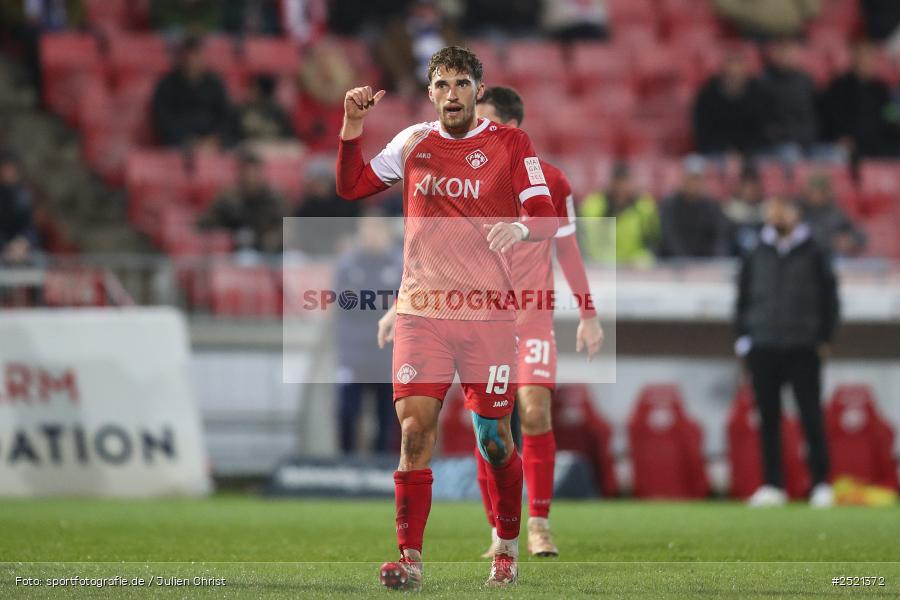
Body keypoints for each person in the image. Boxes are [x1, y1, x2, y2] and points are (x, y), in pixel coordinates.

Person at [336, 46, 560, 590]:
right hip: (423, 313)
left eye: (462, 84)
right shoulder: (413, 142)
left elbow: (545, 216)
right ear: (430, 91)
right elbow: (351, 186)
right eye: (442, 84)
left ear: (478, 91)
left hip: (487, 316)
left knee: (495, 440)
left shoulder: (511, 144)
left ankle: (507, 548)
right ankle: (410, 559)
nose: (452, 94)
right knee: (414, 431)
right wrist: (352, 126)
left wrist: (521, 228)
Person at [467, 86, 602, 558]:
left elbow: (568, 250)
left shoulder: (552, 182)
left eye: (487, 121)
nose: (478, 130)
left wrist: (588, 313)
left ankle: (540, 523)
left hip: (533, 321)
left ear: (512, 128)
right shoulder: (465, 180)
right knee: (490, 428)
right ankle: (498, 531)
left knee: (535, 411)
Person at [735, 196, 839, 509]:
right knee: (768, 419)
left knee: (811, 416)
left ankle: (820, 483)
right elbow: (742, 299)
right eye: (773, 209)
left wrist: (825, 338)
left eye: (783, 209)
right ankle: (773, 485)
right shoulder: (755, 251)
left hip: (803, 345)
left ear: (797, 213)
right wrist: (743, 339)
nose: (777, 215)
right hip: (764, 344)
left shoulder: (815, 251)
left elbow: (830, 298)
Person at [333, 210, 402, 454]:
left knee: (387, 416)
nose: (372, 235)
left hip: (387, 354)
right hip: (354, 354)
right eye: (367, 230)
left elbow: (405, 301)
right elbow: (345, 301)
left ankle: (380, 465)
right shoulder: (347, 264)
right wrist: (387, 304)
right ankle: (346, 462)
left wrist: (373, 301)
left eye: (377, 229)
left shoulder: (399, 264)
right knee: (346, 411)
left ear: (386, 233)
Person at [820, 40, 899, 159]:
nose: (866, 61)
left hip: (878, 142)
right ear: (854, 58)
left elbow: (891, 115)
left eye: (870, 57)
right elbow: (831, 116)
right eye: (863, 56)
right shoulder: (840, 85)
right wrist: (840, 136)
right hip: (851, 143)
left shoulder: (881, 89)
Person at [151, 36, 230, 150]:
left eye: (197, 57)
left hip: (211, 142)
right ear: (182, 58)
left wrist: (214, 138)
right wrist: (187, 140)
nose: (193, 62)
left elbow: (225, 115)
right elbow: (162, 118)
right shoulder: (167, 84)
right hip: (178, 142)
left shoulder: (215, 83)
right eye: (190, 57)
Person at [197, 151, 285, 253]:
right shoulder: (229, 198)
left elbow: (287, 226)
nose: (251, 177)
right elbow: (208, 221)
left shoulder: (274, 197)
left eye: (254, 172)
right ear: (239, 174)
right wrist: (230, 235)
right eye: (246, 172)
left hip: (272, 252)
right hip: (237, 251)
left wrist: (274, 238)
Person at [579, 163, 659, 266]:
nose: (621, 189)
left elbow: (653, 240)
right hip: (600, 265)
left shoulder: (644, 207)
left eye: (625, 183)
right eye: (617, 184)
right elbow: (583, 239)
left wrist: (642, 259)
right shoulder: (593, 205)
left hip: (635, 266)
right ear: (610, 183)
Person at [692, 49, 769, 157]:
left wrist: (745, 152)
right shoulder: (707, 95)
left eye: (738, 69)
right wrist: (726, 150)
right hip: (716, 152)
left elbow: (763, 129)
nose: (734, 73)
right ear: (722, 71)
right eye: (730, 71)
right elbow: (703, 132)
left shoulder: (759, 94)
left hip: (754, 152)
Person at [758, 38, 819, 159]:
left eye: (791, 53)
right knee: (790, 153)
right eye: (784, 53)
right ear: (777, 55)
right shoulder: (765, 82)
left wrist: (807, 138)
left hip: (807, 141)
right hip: (778, 144)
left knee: (835, 155)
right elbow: (764, 122)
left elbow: (813, 117)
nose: (788, 57)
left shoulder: (806, 81)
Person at [658, 156, 729, 258]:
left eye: (698, 179)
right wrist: (685, 260)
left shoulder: (711, 207)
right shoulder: (669, 206)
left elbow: (719, 237)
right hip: (675, 263)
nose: (694, 184)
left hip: (706, 263)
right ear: (683, 179)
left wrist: (714, 259)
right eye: (691, 179)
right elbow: (669, 237)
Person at [798, 173, 867, 257]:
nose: (817, 195)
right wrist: (832, 242)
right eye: (813, 191)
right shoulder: (799, 212)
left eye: (821, 191)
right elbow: (805, 238)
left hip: (831, 258)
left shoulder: (835, 212)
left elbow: (860, 235)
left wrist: (850, 240)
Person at [230, 74, 295, 145]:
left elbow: (288, 137)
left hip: (273, 147)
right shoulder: (241, 111)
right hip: (247, 147)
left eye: (255, 90)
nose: (250, 92)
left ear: (264, 93)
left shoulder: (277, 112)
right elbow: (231, 136)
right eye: (250, 88)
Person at [0, 152, 38, 264]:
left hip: (20, 251)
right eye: (5, 170)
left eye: (11, 170)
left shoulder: (23, 196)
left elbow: (30, 228)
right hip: (4, 249)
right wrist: (6, 246)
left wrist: (23, 241)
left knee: (40, 260)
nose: (8, 174)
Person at [724, 165, 766, 255]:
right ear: (740, 187)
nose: (750, 191)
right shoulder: (729, 212)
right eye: (747, 187)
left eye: (754, 186)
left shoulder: (766, 212)